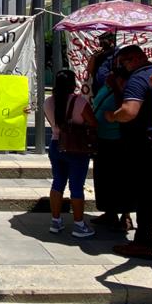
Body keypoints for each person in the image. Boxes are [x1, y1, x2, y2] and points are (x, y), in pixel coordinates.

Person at [107, 45, 152, 260]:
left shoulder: (138, 79)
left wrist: (112, 116)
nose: (121, 67)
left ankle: (142, 241)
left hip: (144, 143)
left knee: (145, 193)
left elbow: (129, 111)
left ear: (133, 59)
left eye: (123, 63)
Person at [43, 69, 97, 239]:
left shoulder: (48, 102)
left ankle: (56, 220)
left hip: (55, 144)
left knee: (58, 181)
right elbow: (93, 123)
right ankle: (79, 224)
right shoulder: (79, 102)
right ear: (73, 84)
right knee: (76, 186)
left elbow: (53, 123)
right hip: (77, 148)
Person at [90, 71, 134, 232]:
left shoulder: (126, 92)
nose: (108, 75)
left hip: (118, 141)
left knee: (121, 179)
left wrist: (116, 87)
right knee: (104, 178)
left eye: (114, 75)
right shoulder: (105, 87)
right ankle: (110, 212)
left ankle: (125, 215)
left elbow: (123, 107)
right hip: (102, 139)